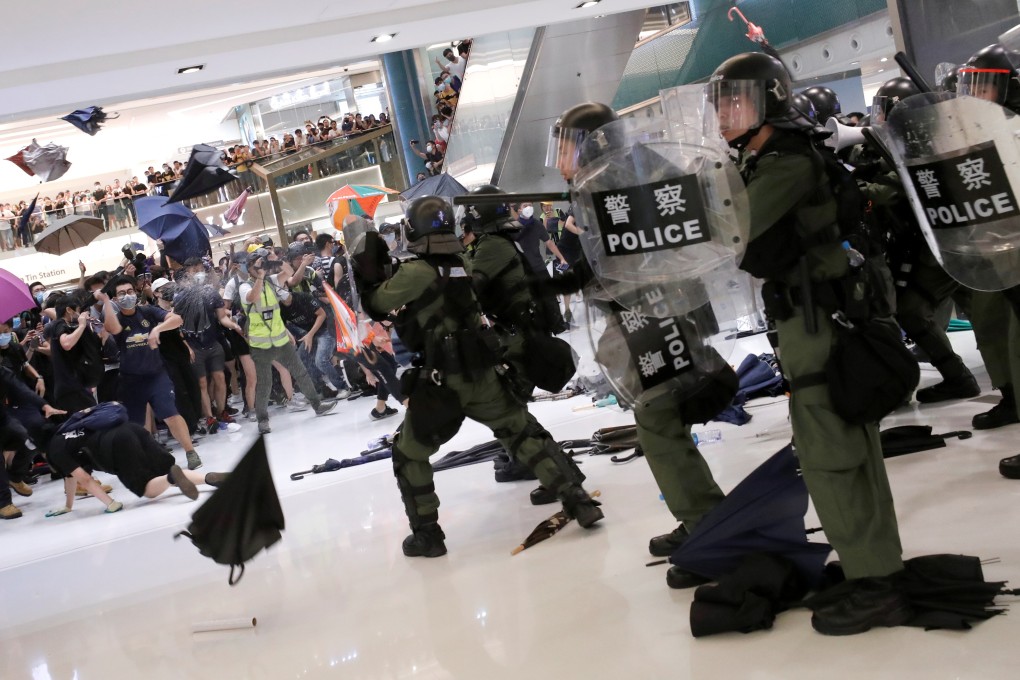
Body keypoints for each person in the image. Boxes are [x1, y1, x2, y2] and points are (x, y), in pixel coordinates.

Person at [710, 52, 905, 634]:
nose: (724, 113)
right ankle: (876, 567)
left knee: (831, 453)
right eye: (720, 101)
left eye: (735, 100)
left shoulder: (785, 162)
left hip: (819, 321)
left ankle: (878, 581)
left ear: (767, 100)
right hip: (817, 315)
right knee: (847, 442)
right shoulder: (768, 156)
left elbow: (728, 226)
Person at [353, 195, 603, 558]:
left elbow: (374, 304)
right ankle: (579, 501)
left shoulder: (416, 272)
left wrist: (367, 272)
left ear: (413, 231)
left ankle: (428, 535)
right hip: (485, 373)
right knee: (522, 433)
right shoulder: (462, 265)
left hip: (442, 383)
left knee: (409, 454)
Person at [545, 102, 731, 577]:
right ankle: (703, 519)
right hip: (658, 308)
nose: (562, 157)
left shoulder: (614, 182)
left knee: (658, 418)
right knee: (667, 417)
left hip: (650, 313)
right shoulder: (634, 170)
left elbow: (620, 254)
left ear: (592, 143)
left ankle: (709, 528)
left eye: (567, 145)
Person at [864, 76, 980, 404]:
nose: (881, 119)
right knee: (983, 311)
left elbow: (888, 192)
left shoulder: (922, 146)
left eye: (887, 111)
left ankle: (960, 377)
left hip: (949, 243)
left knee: (911, 309)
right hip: (951, 241)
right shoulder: (921, 140)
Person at [97, 276, 203, 471]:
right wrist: (105, 302)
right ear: (115, 298)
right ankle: (148, 460)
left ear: (136, 293)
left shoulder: (148, 311)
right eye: (121, 294)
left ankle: (190, 452)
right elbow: (112, 329)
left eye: (130, 291)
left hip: (156, 375)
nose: (127, 296)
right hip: (131, 380)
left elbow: (177, 319)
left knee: (170, 413)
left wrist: (157, 329)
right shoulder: (117, 318)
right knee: (138, 424)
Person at [44, 418, 228, 517]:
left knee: (148, 488)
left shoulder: (56, 448)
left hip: (116, 445)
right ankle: (208, 478)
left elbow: (83, 479)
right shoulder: (69, 427)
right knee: (164, 473)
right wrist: (68, 506)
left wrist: (111, 503)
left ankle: (170, 478)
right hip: (132, 429)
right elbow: (70, 478)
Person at [241, 249, 337, 435]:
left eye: (261, 264)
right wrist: (260, 276)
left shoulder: (271, 281)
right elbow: (252, 298)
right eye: (256, 265)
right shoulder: (245, 286)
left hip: (280, 339)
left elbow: (289, 273)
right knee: (265, 382)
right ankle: (262, 420)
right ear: (249, 268)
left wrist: (274, 260)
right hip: (260, 345)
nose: (260, 268)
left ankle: (317, 405)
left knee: (300, 372)